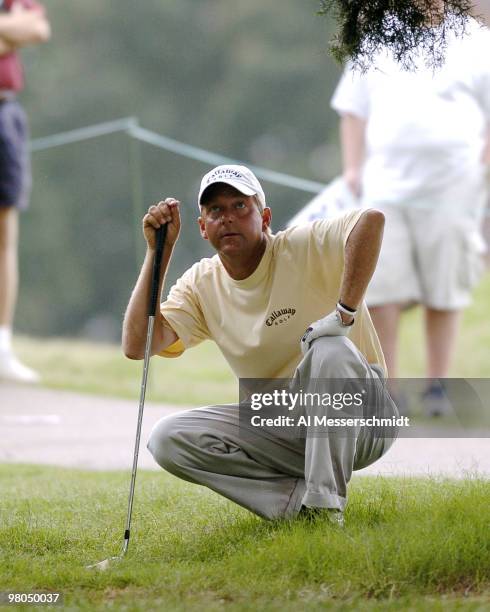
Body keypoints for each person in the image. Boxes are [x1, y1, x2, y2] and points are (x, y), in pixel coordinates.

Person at [122, 164, 399, 524]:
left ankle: (327, 509)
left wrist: (344, 313)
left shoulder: (300, 246)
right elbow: (137, 344)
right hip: (282, 424)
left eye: (240, 206)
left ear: (264, 217)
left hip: (364, 418)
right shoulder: (202, 283)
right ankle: (299, 508)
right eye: (216, 211)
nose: (228, 218)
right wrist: (158, 252)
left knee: (329, 349)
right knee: (167, 439)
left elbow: (370, 221)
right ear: (203, 228)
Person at [331, 17, 490, 415]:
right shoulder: (376, 36)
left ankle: (438, 388)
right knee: (381, 288)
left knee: (445, 287)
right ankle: (389, 387)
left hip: (455, 188)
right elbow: (353, 109)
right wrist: (353, 168)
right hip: (383, 187)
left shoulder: (475, 39)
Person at [0, 0, 50, 383]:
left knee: (5, 236)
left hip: (6, 111)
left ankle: (1, 347)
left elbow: (37, 28)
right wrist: (8, 29)